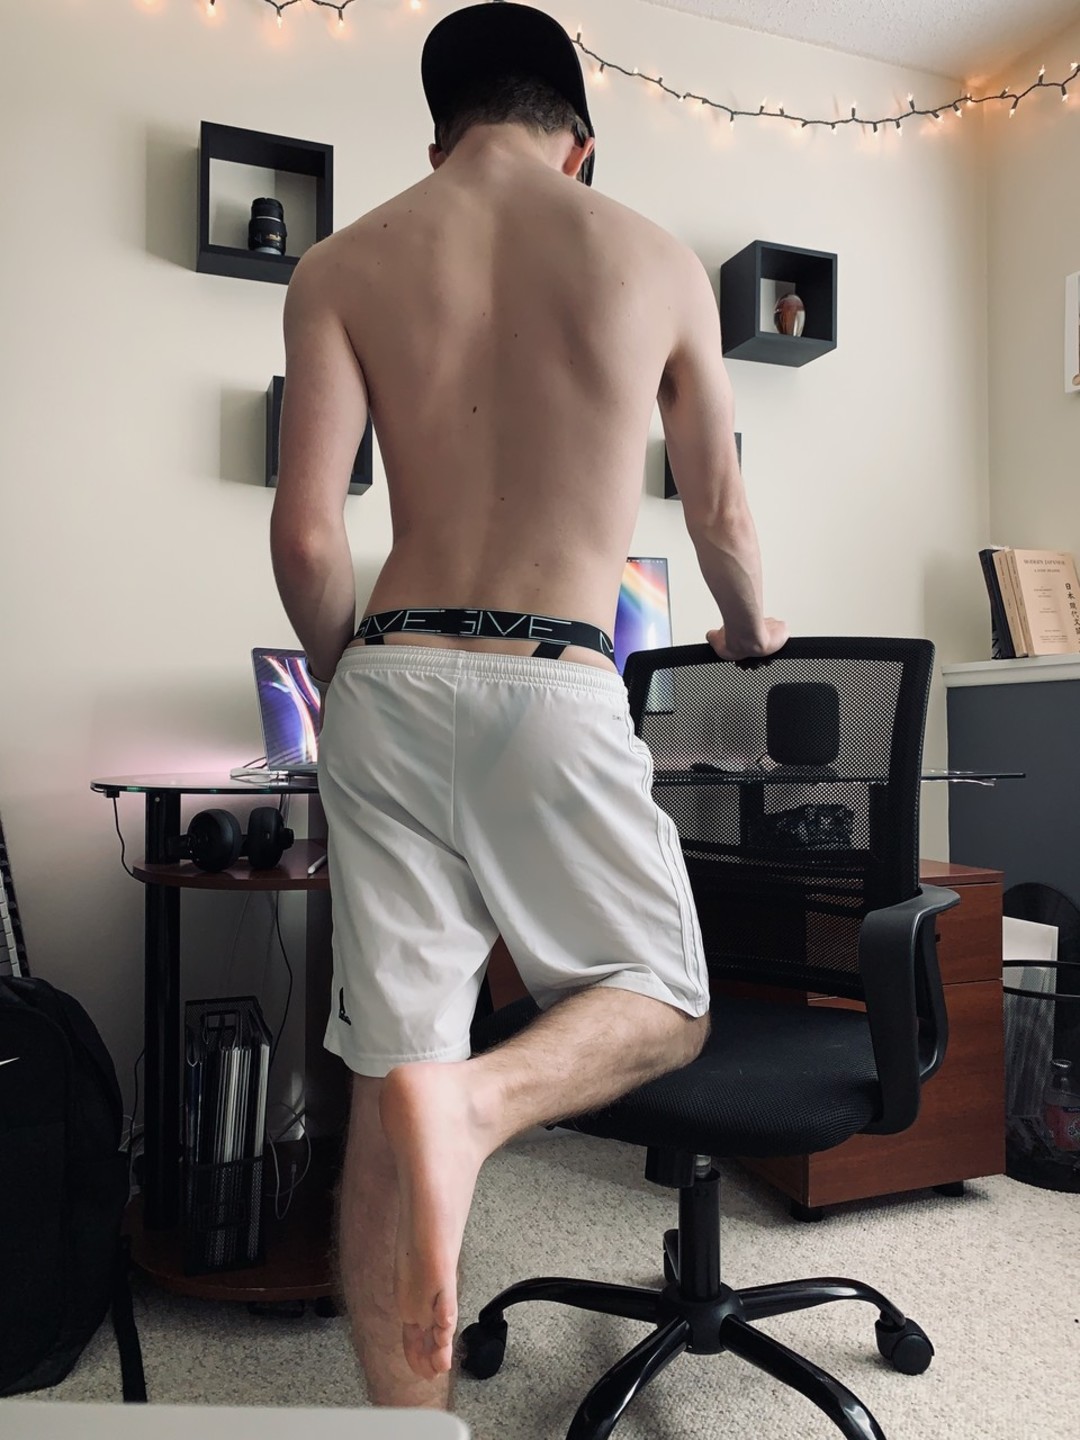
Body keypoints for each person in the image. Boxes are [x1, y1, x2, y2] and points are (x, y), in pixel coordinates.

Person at [269, 0, 788, 1413]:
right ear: (582, 142)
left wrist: (354, 684)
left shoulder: (342, 261)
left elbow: (309, 540)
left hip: (388, 672)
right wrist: (750, 627)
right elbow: (722, 515)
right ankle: (483, 1104)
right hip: (552, 676)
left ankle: (405, 1423)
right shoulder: (655, 257)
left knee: (393, 1064)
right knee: (665, 998)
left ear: (438, 137)